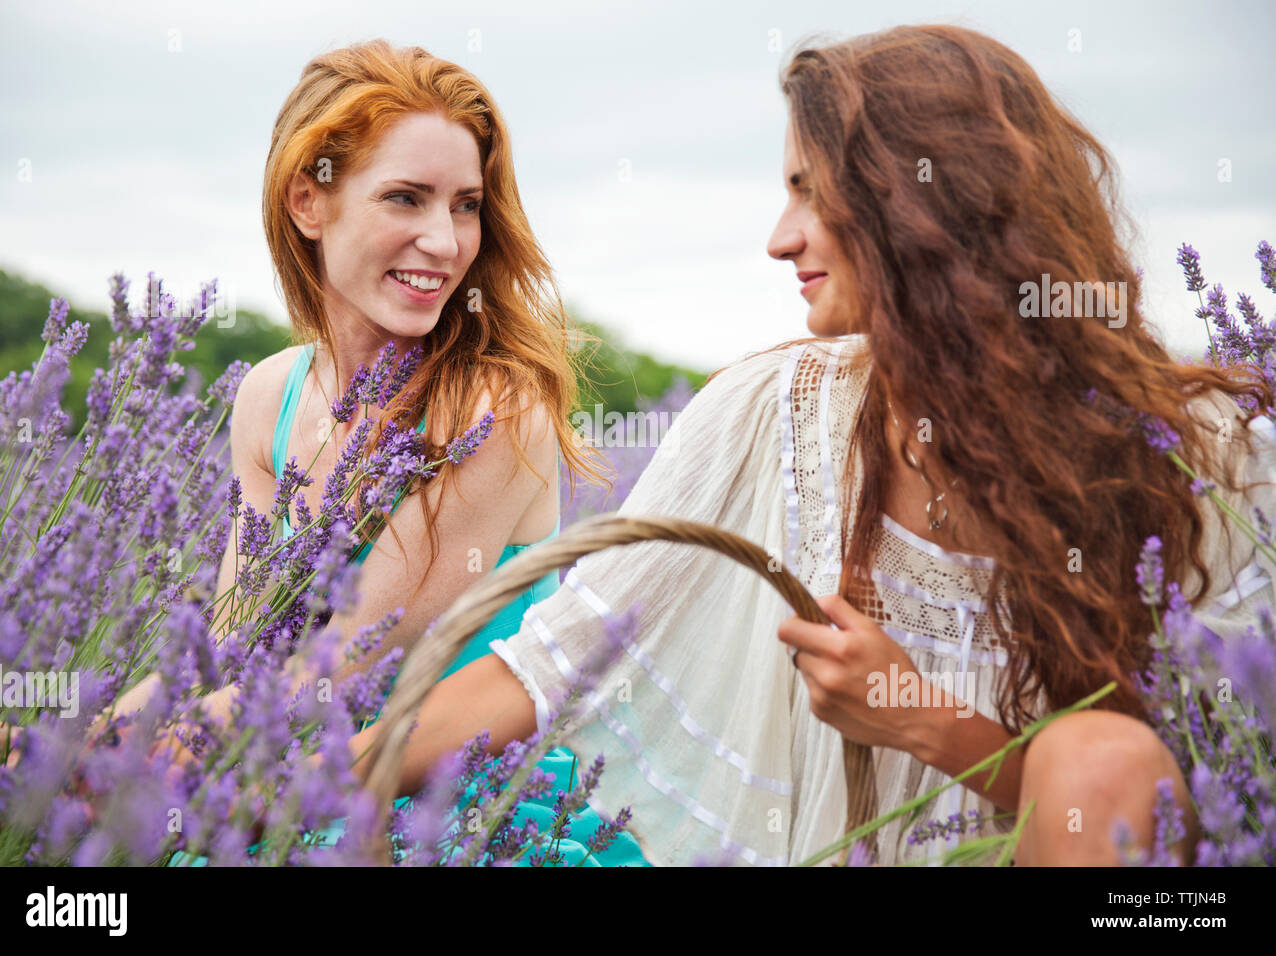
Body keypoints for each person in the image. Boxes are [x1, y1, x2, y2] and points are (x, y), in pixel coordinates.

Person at [345, 24, 1276, 866]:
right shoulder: (772, 410)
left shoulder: (1198, 460)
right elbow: (549, 664)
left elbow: (1213, 804)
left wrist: (928, 723)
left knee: (1098, 752)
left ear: (923, 206)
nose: (778, 239)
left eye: (808, 192)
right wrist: (285, 782)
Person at [123, 38, 647, 865]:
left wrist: (118, 765)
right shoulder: (272, 394)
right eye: (406, 198)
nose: (444, 241)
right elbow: (234, 639)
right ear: (308, 201)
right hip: (284, 788)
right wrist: (82, 737)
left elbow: (350, 665)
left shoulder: (495, 407)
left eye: (467, 205)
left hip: (457, 821)